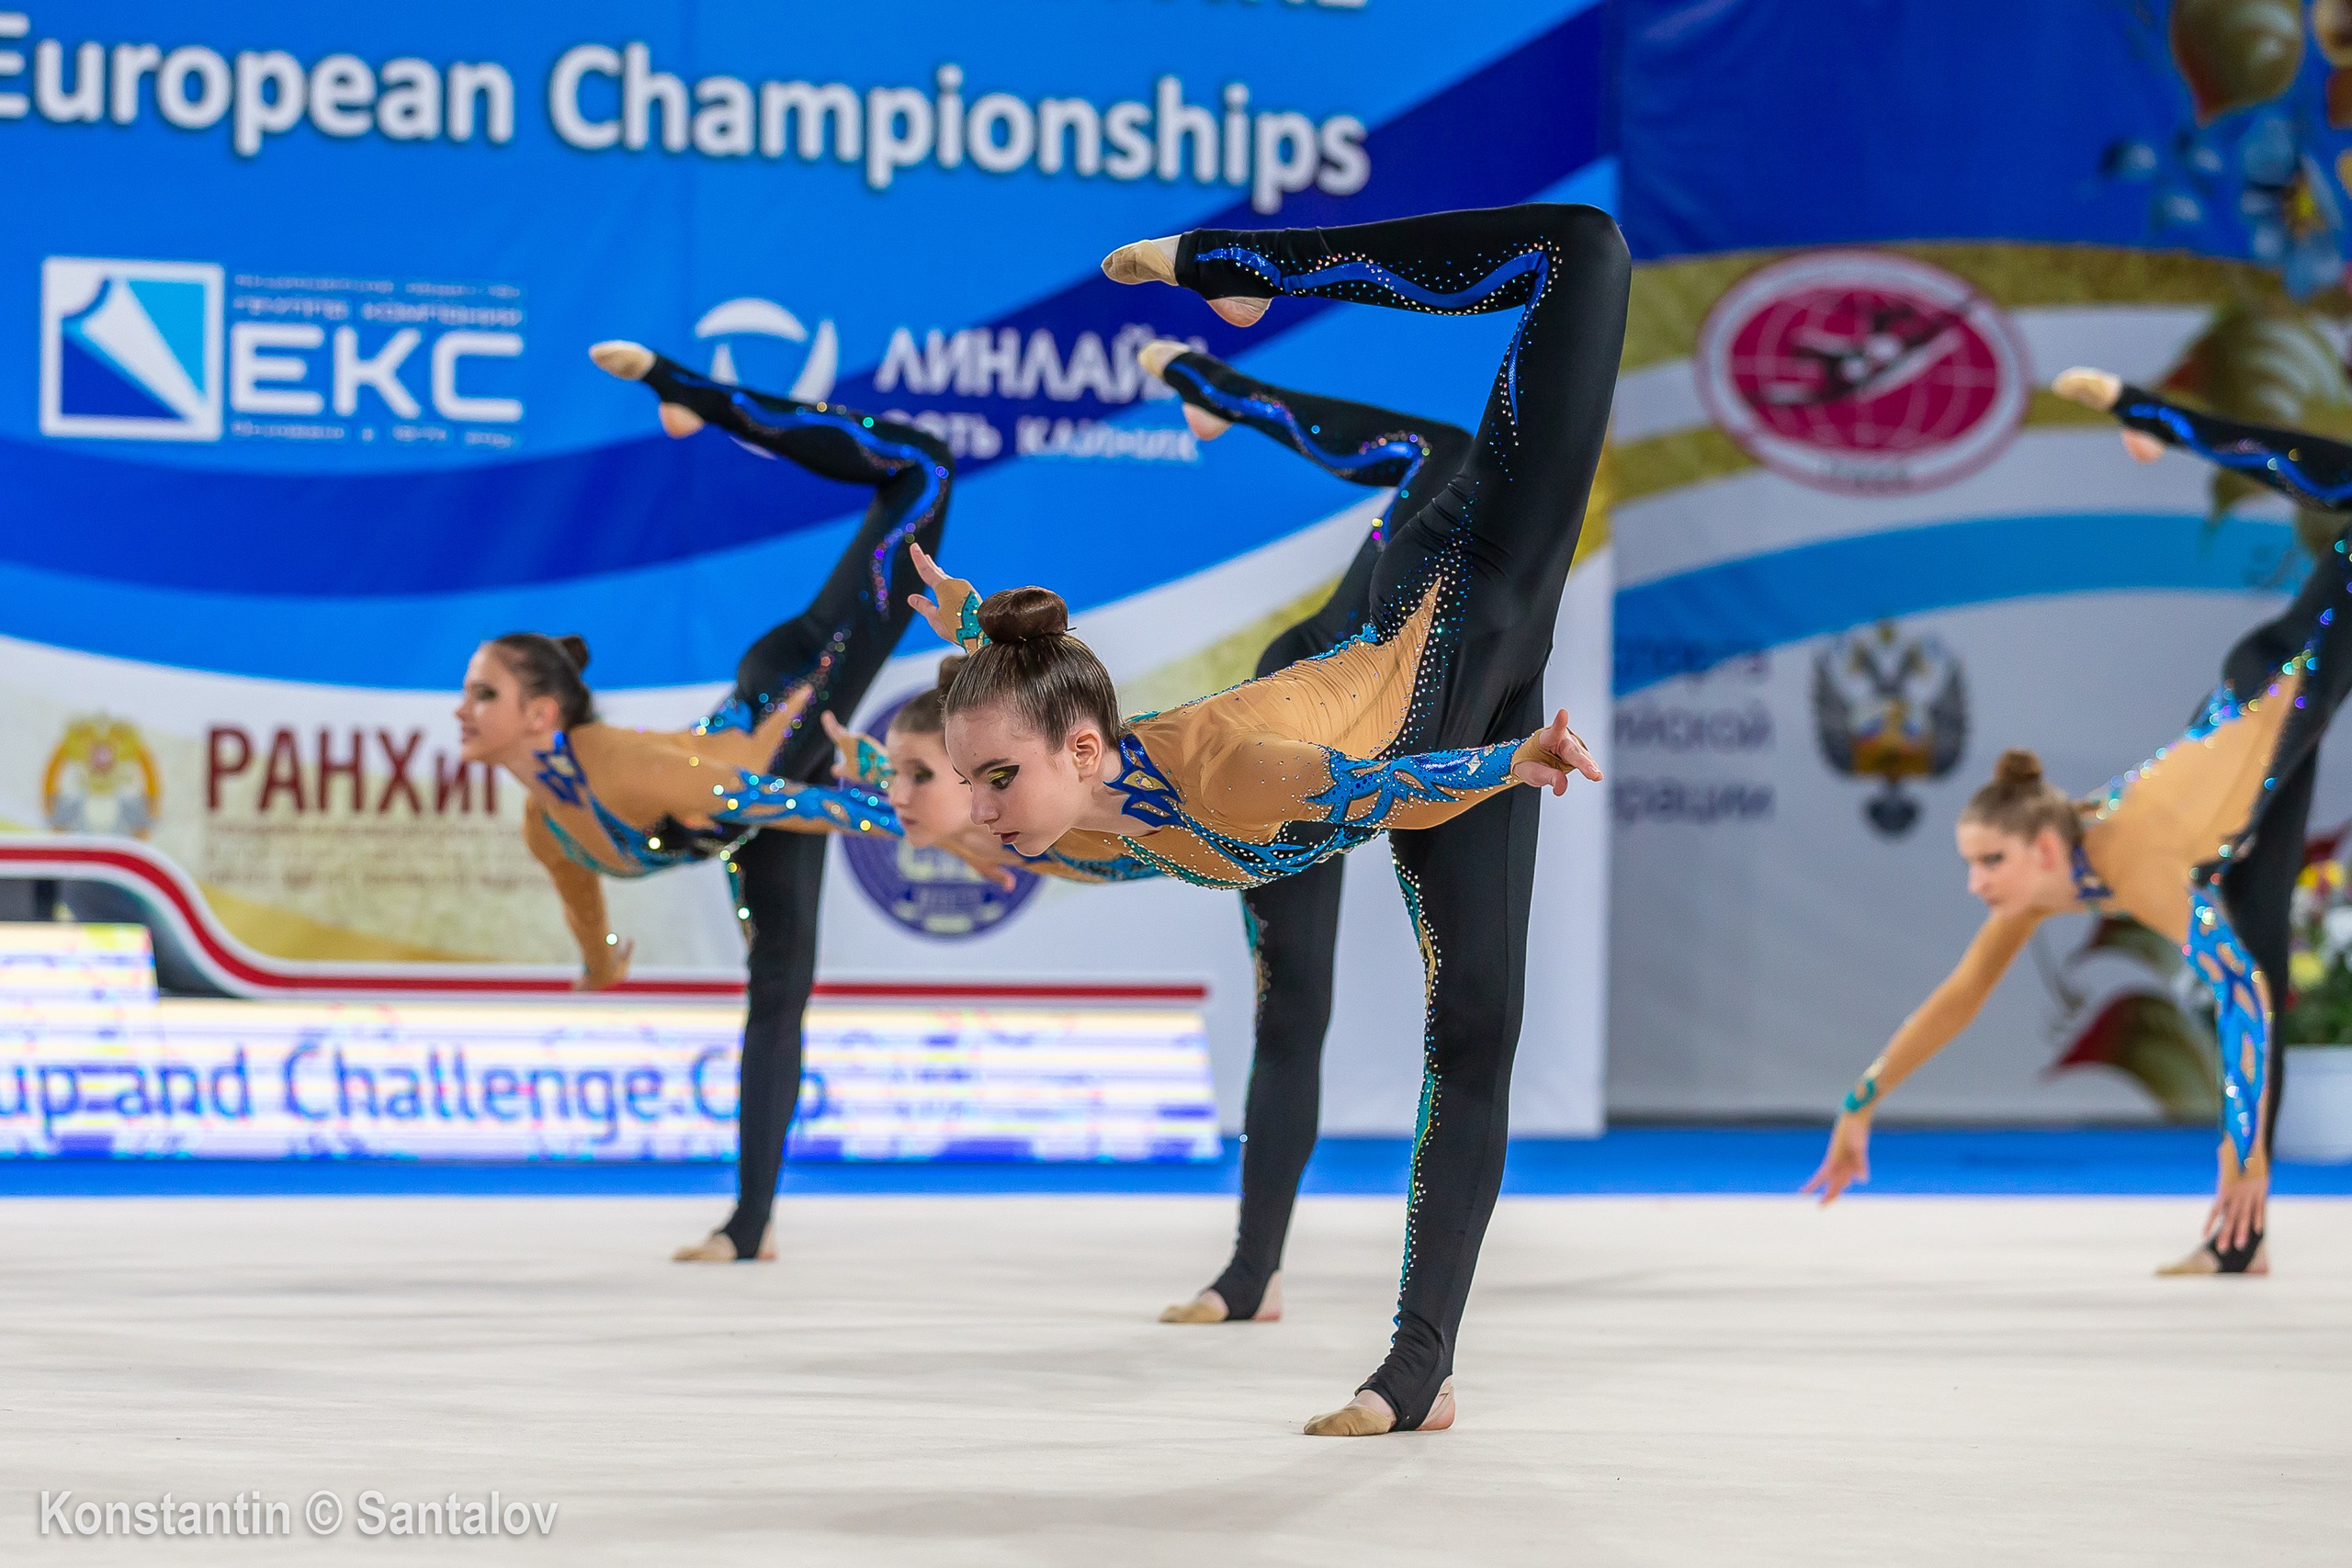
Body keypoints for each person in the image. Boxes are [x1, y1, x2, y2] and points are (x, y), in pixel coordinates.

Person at [908, 201, 1629, 1435]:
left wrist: (1507, 763)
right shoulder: (1071, 817)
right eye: (967, 782)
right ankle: (1417, 1370)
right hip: (1442, 704)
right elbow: (1033, 712)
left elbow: (1399, 794)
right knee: (1473, 1027)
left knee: (1581, 254)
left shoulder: (1231, 775)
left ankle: (1242, 273)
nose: (978, 811)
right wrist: (975, 634)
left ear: (1079, 752)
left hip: (1474, 586)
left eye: (993, 781)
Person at [1804, 364, 2352, 1276]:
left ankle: (2149, 414)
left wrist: (2243, 1149)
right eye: (1974, 865)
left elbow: (2242, 999)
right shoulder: (2046, 882)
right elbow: (1959, 996)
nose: (1978, 884)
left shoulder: (2132, 862)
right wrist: (1861, 1101)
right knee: (2256, 947)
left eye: (1989, 862)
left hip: (2282, 681)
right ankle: (2240, 1243)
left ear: (2043, 847)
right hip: (2255, 782)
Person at [454, 342, 951, 1265]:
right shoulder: (542, 823)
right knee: (778, 990)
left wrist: (918, 819)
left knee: (922, 467)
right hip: (754, 808)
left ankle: (687, 391)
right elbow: (588, 909)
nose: (460, 709)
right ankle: (749, 1225)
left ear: (541, 713)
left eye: (482, 693)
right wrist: (601, 962)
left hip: (797, 689)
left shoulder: (628, 770)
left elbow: (777, 797)